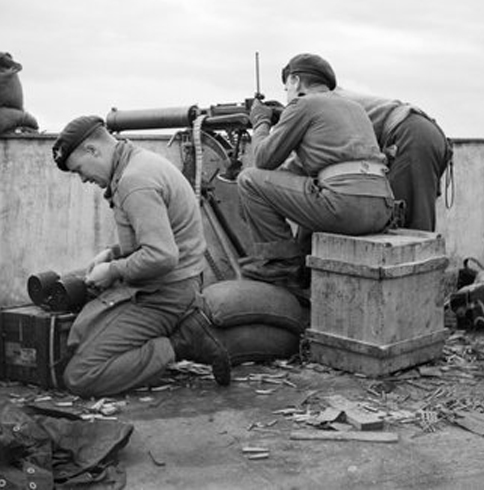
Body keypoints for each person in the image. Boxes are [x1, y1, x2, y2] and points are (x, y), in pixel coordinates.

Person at [51, 115, 230, 397]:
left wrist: (112, 271)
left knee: (80, 375)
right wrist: (112, 254)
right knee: (82, 333)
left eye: (79, 170)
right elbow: (156, 235)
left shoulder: (135, 181)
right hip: (169, 285)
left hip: (166, 293)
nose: (83, 178)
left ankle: (182, 342)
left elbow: (161, 256)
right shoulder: (138, 163)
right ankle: (173, 333)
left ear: (93, 150)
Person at [236, 53, 395, 287]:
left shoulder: (302, 105)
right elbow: (307, 168)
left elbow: (263, 160)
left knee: (249, 180)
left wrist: (261, 122)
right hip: (382, 209)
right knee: (313, 186)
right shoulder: (355, 109)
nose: (287, 95)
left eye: (286, 87)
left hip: (345, 208)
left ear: (296, 81)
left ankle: (282, 264)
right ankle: (303, 263)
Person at [339, 88, 452, 231]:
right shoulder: (330, 94)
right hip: (423, 132)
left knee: (406, 230)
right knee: (415, 224)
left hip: (411, 137)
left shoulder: (315, 103)